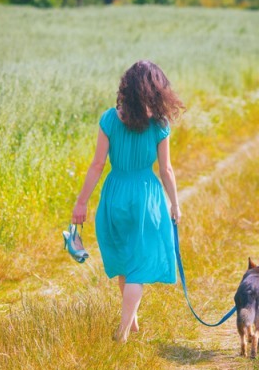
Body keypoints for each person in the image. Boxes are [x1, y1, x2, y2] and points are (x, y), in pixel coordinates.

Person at [71, 60, 185, 343]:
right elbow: (166, 169)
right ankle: (123, 331)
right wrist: (175, 203)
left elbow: (97, 165)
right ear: (157, 91)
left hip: (116, 193)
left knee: (125, 260)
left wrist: (81, 202)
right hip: (146, 195)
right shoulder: (159, 124)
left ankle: (130, 321)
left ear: (127, 87)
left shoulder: (110, 119)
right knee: (136, 267)